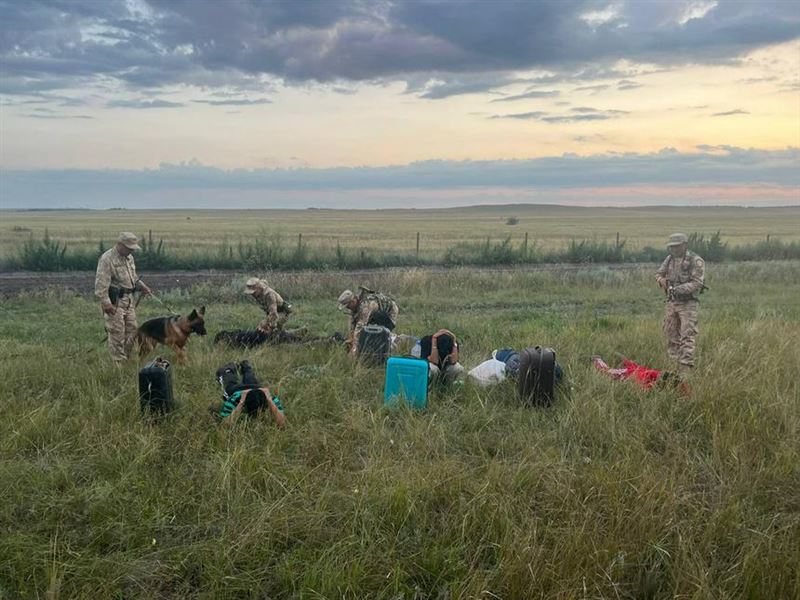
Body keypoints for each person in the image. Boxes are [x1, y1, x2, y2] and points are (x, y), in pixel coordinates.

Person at [94, 232, 152, 363]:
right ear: (120, 244)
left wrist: (142, 286)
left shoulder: (129, 257)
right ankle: (118, 364)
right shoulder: (107, 259)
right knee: (117, 333)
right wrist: (106, 303)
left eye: (132, 248)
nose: (131, 250)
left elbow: (133, 277)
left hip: (129, 301)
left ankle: (126, 359)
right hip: (115, 302)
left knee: (132, 331)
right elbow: (101, 284)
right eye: (129, 247)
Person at [655, 233, 706, 373]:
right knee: (671, 335)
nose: (675, 249)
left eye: (677, 246)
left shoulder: (696, 260)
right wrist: (662, 281)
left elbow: (697, 283)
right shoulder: (669, 259)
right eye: (672, 247)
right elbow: (659, 274)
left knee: (687, 337)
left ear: (685, 245)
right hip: (671, 303)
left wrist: (677, 289)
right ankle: (672, 369)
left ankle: (685, 371)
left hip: (688, 304)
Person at [215, 360, 287, 426]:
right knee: (230, 381)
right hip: (237, 390)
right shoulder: (235, 399)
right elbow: (226, 424)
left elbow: (282, 422)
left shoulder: (271, 399)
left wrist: (269, 400)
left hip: (256, 388)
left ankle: (243, 366)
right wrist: (241, 402)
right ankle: (234, 367)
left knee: (248, 378)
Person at [337, 286, 399, 357]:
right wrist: (351, 338)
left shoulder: (366, 306)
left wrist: (354, 349)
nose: (348, 308)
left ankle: (393, 344)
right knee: (368, 330)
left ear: (353, 301)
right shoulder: (353, 306)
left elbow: (360, 327)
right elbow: (352, 322)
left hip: (389, 312)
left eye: (348, 306)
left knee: (382, 332)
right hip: (375, 314)